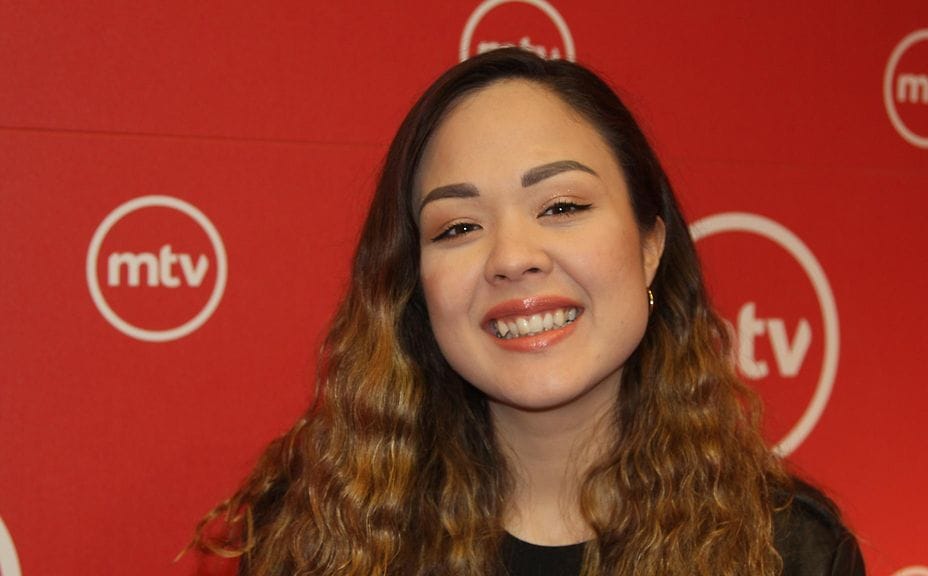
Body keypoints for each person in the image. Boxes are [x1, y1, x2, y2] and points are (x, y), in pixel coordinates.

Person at [191, 48, 865, 576]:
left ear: (650, 246)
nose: (512, 258)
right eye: (458, 227)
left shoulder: (789, 553)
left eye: (562, 207)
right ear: (413, 283)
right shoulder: (311, 543)